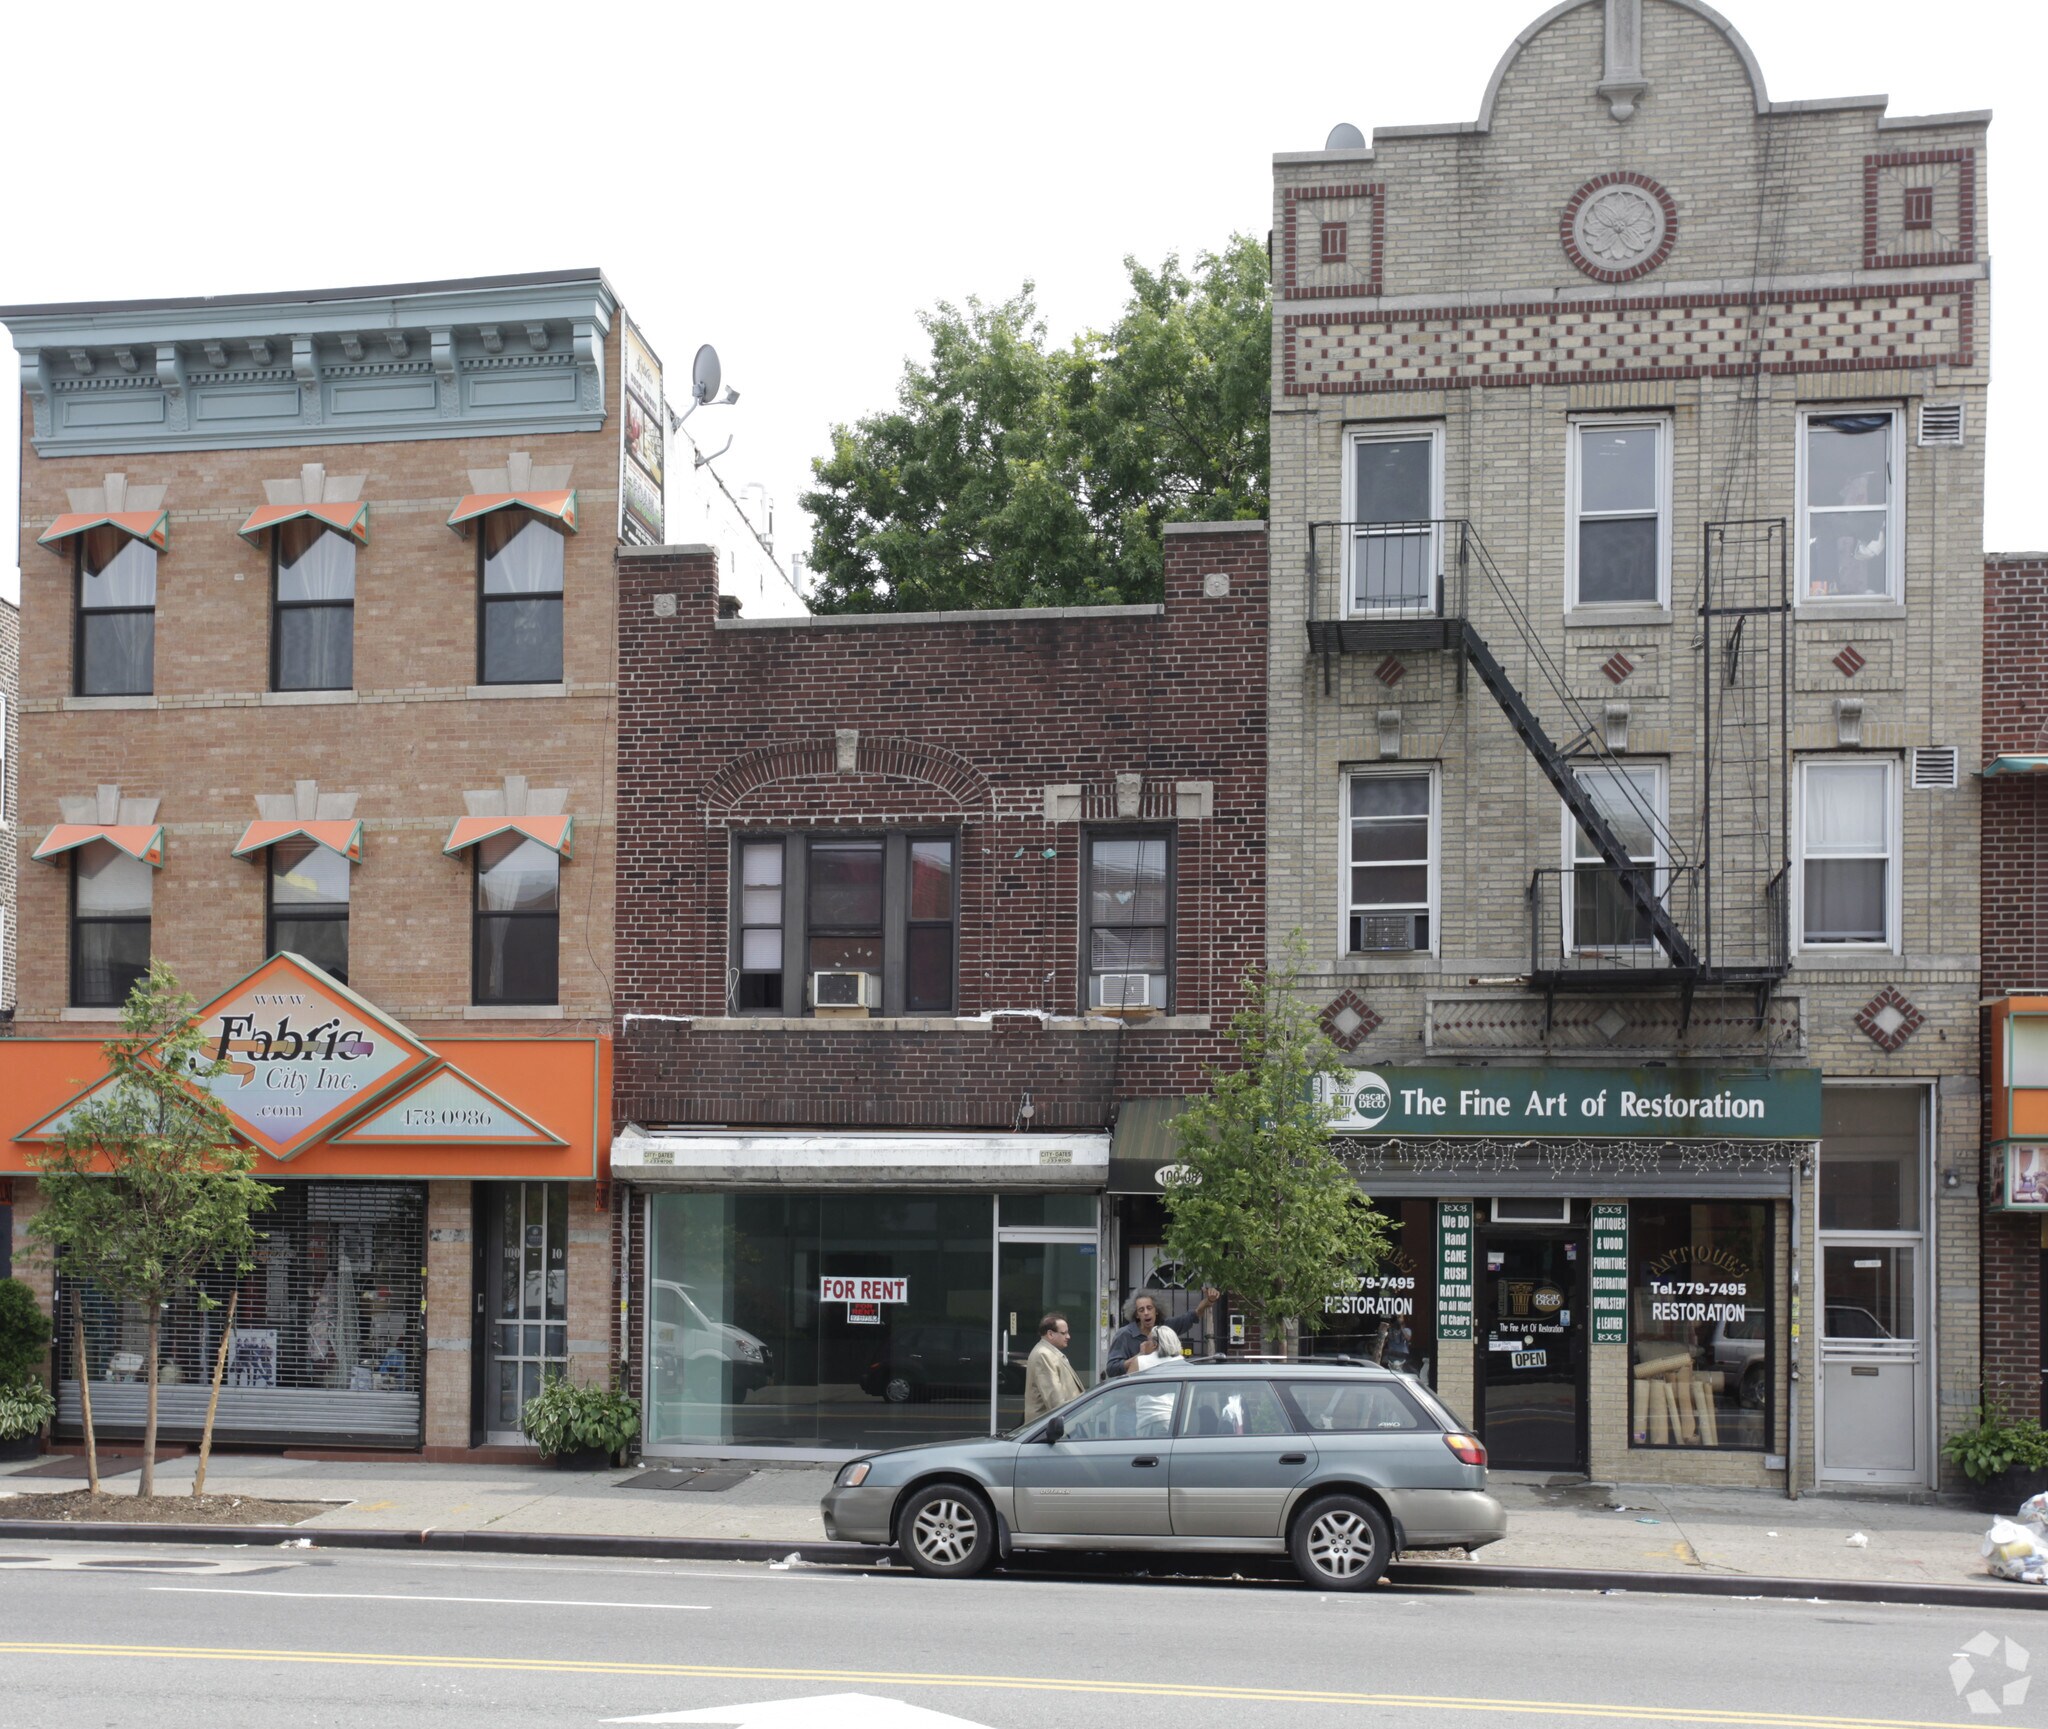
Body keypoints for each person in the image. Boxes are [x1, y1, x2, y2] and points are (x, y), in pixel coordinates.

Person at [1106, 1286, 1220, 1378]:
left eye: (1149, 1308)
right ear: (1136, 1314)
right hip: (1132, 1397)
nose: (1146, 1313)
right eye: (1141, 1310)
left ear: (1156, 1310)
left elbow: (1194, 1315)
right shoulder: (1124, 1335)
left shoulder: (1166, 1328)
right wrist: (1140, 1356)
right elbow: (1111, 1369)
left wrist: (1209, 1300)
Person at [1022, 1311, 1084, 1422]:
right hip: (1048, 1430)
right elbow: (1055, 1401)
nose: (1068, 1336)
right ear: (1050, 1334)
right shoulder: (1043, 1354)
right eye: (1064, 1333)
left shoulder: (1048, 1352)